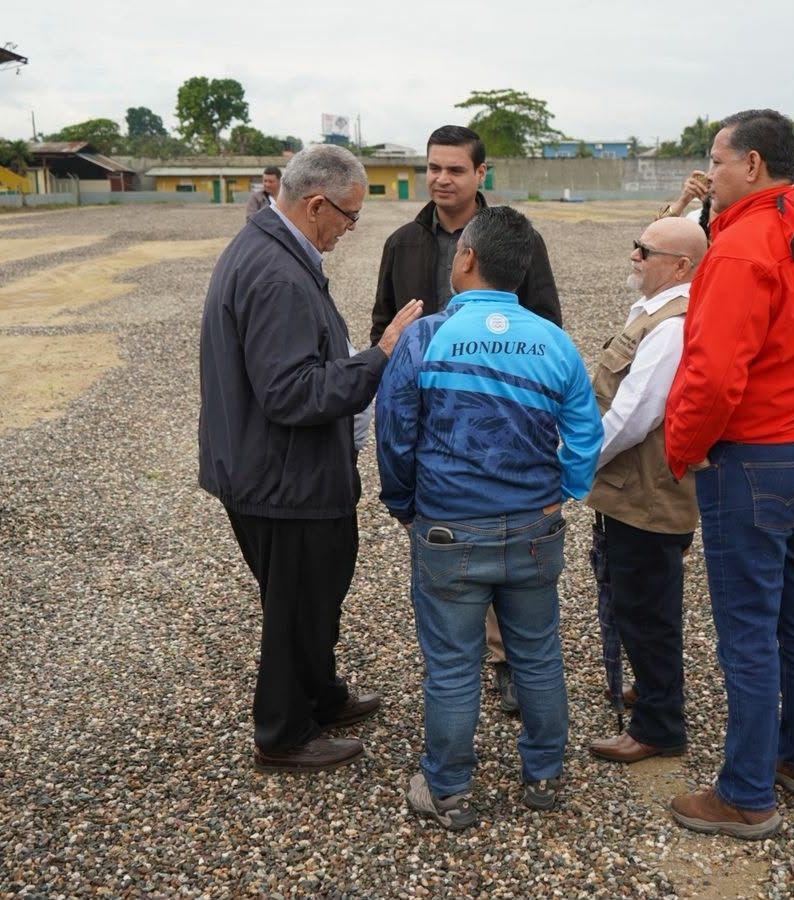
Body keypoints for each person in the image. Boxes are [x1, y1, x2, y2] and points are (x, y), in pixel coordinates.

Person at [663, 109, 794, 839]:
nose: (711, 174)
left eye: (717, 161)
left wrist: (683, 448)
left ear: (751, 164)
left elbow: (714, 373)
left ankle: (746, 794)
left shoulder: (742, 245)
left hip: (759, 456)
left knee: (749, 628)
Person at [375, 206, 603, 830]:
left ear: (467, 257)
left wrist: (402, 503)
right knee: (538, 653)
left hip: (449, 527)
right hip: (534, 526)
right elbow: (587, 433)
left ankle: (447, 788)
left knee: (453, 664)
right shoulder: (553, 341)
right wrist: (565, 491)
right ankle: (544, 775)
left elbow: (395, 432)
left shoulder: (426, 337)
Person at [198, 145, 423, 772]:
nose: (350, 230)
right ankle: (284, 732)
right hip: (284, 478)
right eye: (349, 217)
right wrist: (380, 355)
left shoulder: (270, 247)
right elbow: (292, 392)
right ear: (317, 204)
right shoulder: (277, 272)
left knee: (314, 595)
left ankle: (320, 694)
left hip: (270, 467)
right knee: (297, 605)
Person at [372, 125, 563, 713]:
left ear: (481, 174)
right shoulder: (403, 243)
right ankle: (456, 667)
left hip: (502, 430)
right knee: (451, 562)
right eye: (433, 167)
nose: (441, 179)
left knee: (507, 552)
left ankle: (507, 662)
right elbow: (383, 326)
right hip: (432, 432)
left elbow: (548, 322)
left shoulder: (515, 238)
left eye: (455, 169)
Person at [586, 217, 708, 764]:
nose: (634, 256)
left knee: (646, 610)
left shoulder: (673, 326)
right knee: (637, 601)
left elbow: (633, 416)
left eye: (645, 250)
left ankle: (660, 726)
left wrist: (573, 464)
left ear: (680, 266)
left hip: (647, 496)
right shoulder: (655, 310)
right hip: (633, 490)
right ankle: (654, 690)